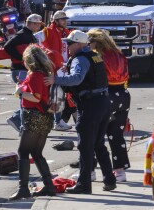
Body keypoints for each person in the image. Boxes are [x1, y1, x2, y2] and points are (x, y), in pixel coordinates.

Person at [45, 30, 116, 194]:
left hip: (90, 105)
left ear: (78, 44)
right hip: (103, 102)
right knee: (98, 144)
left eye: (69, 44)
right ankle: (109, 179)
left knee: (85, 146)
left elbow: (77, 78)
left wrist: (56, 79)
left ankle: (84, 185)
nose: (67, 47)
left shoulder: (80, 59)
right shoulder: (94, 56)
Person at [9, 45, 56, 200]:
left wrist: (21, 92)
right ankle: (49, 185)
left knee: (23, 152)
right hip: (44, 116)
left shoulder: (36, 75)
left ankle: (23, 188)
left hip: (34, 116)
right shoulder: (45, 73)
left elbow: (35, 97)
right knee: (36, 153)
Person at [87, 29, 131, 182]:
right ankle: (120, 172)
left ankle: (90, 171)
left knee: (93, 135)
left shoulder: (97, 56)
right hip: (123, 96)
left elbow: (96, 78)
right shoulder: (119, 53)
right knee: (116, 136)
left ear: (95, 42)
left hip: (106, 96)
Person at [35, 10, 71, 131]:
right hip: (51, 69)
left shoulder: (66, 32)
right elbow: (37, 42)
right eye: (63, 19)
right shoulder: (47, 31)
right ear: (56, 21)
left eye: (65, 19)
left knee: (58, 95)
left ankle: (57, 120)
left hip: (62, 68)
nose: (65, 21)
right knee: (54, 96)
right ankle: (57, 121)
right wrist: (49, 55)